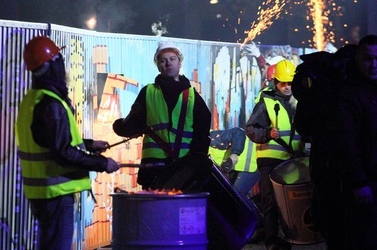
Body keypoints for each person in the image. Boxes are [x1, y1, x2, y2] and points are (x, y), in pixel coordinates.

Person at [15, 36, 119, 250]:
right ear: (52, 65)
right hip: (56, 195)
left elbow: (51, 140)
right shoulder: (50, 103)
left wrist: (89, 145)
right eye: (60, 59)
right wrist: (102, 164)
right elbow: (62, 152)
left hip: (44, 194)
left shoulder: (33, 99)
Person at [113, 41, 212, 192]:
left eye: (172, 59)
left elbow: (202, 132)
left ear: (180, 63)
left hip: (184, 171)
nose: (168, 64)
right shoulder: (148, 92)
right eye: (163, 60)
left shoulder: (192, 96)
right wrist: (121, 127)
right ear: (158, 66)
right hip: (154, 170)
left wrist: (195, 161)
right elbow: (134, 123)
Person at [292, 44, 358, 249]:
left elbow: (303, 127)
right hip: (340, 172)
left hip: (327, 170)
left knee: (335, 229)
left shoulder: (320, 89)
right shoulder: (347, 92)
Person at [245, 59, 305, 250]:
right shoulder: (266, 100)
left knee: (294, 202)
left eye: (290, 83)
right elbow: (251, 128)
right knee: (271, 201)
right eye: (283, 83)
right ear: (275, 82)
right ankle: (272, 241)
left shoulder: (300, 99)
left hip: (294, 159)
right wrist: (267, 133)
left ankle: (293, 237)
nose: (287, 87)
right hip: (270, 159)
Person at [334, 34, 377, 249]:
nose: (373, 65)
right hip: (367, 183)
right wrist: (359, 182)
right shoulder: (349, 94)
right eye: (368, 59)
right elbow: (347, 139)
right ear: (358, 60)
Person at [208, 127, 260, 196]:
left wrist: (234, 155)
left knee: (236, 197)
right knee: (232, 196)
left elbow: (238, 132)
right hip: (241, 167)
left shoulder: (209, 138)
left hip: (253, 161)